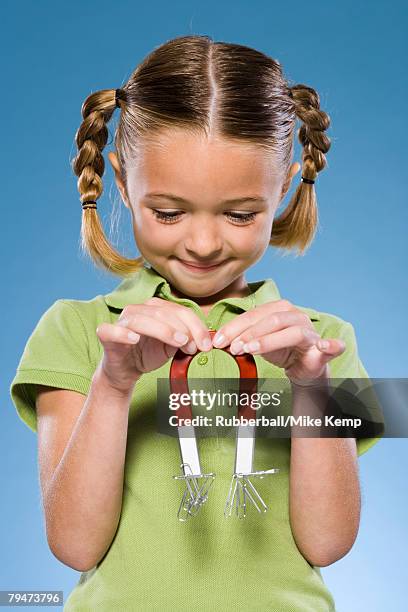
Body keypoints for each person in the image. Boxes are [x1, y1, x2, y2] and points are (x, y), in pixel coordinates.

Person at [9, 34, 382, 611]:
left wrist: (311, 388)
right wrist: (112, 387)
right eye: (169, 212)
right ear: (122, 181)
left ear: (281, 189)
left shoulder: (329, 341)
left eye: (240, 214)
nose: (203, 243)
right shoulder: (76, 331)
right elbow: (74, 546)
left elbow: (330, 543)